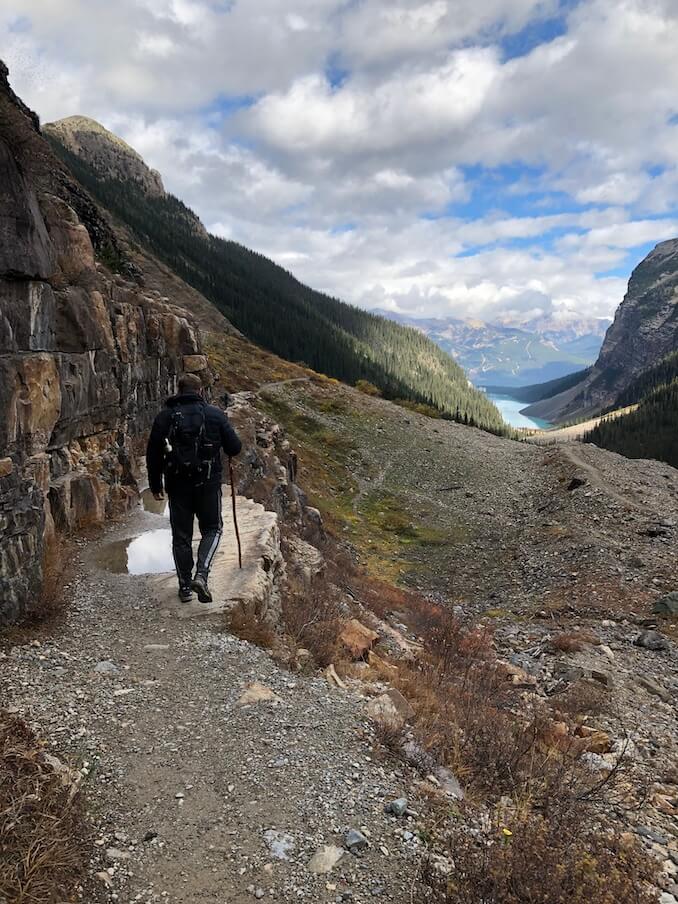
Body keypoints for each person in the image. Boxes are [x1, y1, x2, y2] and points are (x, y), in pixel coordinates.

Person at [146, 373, 242, 603]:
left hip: (177, 486)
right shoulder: (215, 415)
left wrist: (155, 485)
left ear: (178, 391)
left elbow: (153, 455)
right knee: (213, 529)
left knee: (181, 537)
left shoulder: (164, 417)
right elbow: (235, 447)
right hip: (208, 484)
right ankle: (202, 574)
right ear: (200, 391)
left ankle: (185, 588)